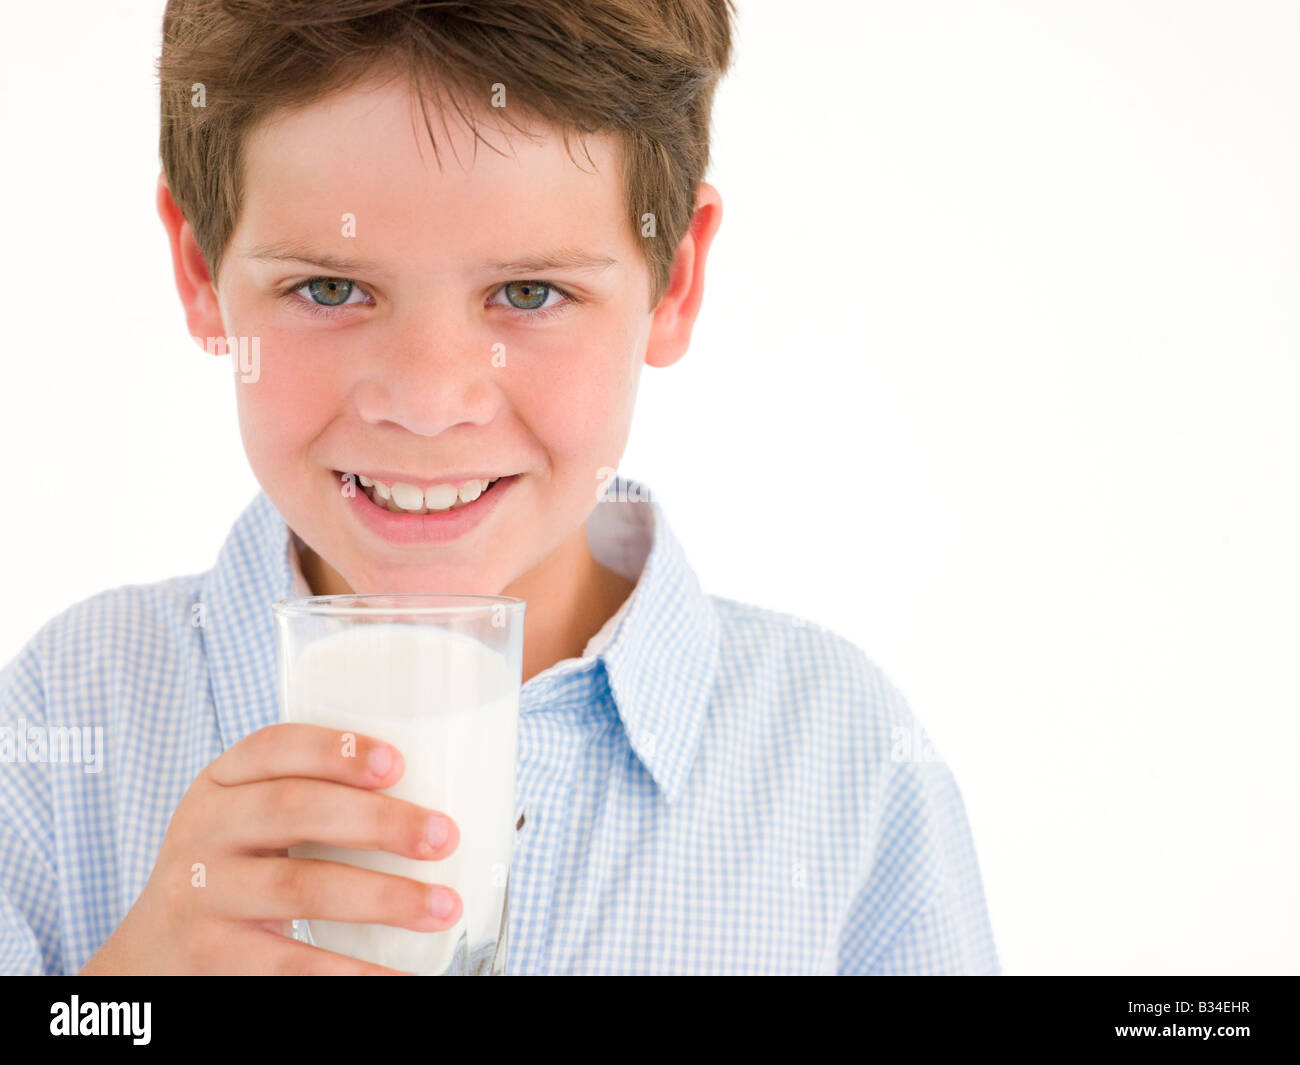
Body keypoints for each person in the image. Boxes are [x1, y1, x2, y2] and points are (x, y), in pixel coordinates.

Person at [0, 0, 998, 975]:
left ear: (674, 281)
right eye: (331, 289)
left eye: (529, 294)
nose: (430, 403)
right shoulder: (63, 723)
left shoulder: (844, 762)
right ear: (202, 270)